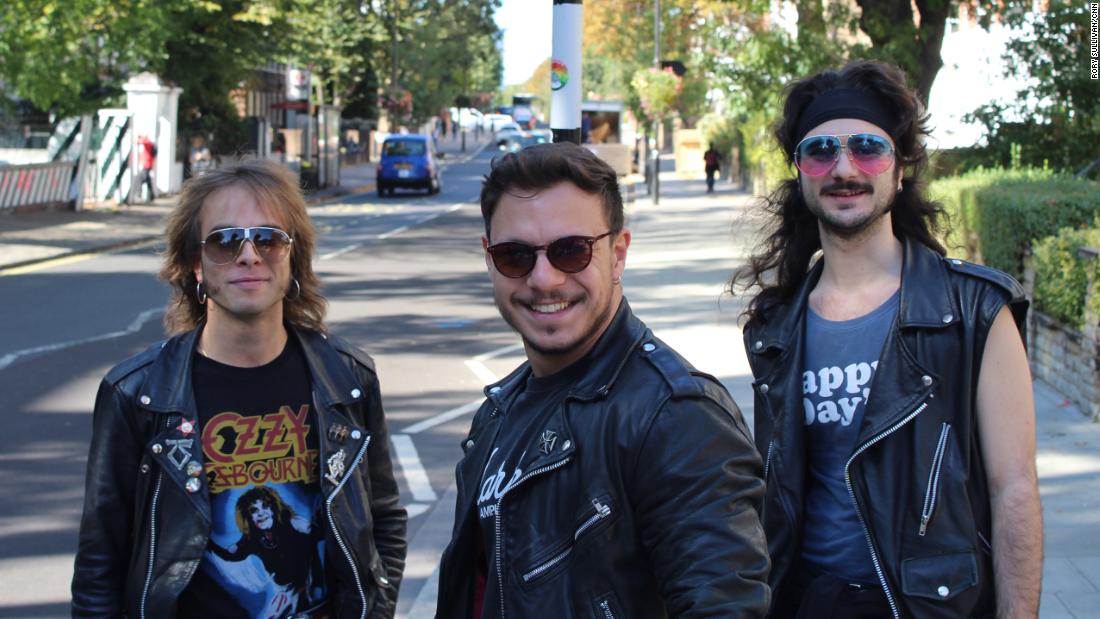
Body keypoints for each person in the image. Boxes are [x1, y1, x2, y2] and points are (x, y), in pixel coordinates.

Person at [731, 60, 1042, 618]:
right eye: (820, 149)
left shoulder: (973, 312)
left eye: (868, 148)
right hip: (810, 602)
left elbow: (1014, 490)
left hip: (932, 606)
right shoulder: (774, 329)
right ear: (799, 170)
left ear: (900, 170)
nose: (843, 167)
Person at [435, 142, 770, 618]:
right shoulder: (499, 409)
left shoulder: (678, 418)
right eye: (516, 256)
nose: (545, 279)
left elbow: (724, 605)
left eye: (571, 251)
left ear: (618, 254)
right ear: (489, 259)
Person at [72, 159, 407, 619]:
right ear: (195, 264)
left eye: (269, 238)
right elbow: (99, 564)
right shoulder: (138, 395)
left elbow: (383, 520)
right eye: (224, 241)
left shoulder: (347, 380)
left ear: (294, 258)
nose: (249, 255)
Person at [136, 134, 157, 202]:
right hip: (148, 165)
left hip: (147, 165)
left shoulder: (148, 143)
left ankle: (139, 194)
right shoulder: (149, 143)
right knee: (148, 181)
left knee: (139, 178)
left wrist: (140, 138)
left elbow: (139, 141)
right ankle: (152, 196)